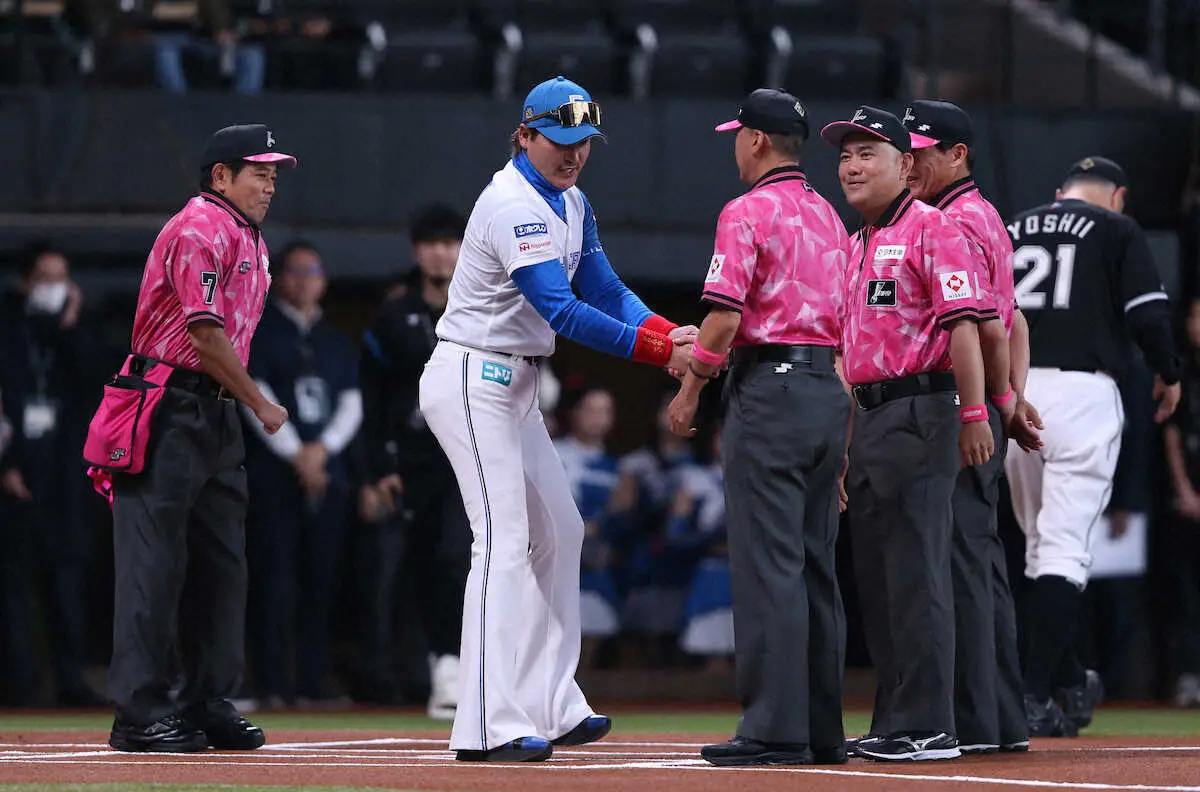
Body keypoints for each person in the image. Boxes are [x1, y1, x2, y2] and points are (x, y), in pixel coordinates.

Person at [417, 75, 695, 763]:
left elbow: (605, 289)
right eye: (559, 141)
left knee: (561, 532)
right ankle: (485, 722)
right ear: (525, 135)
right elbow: (561, 310)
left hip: (513, 383)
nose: (572, 155)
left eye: (584, 143)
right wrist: (663, 350)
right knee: (503, 541)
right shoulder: (512, 201)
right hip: (471, 373)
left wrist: (667, 332)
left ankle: (551, 699)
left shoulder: (572, 202)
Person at [665, 88, 853, 767]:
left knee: (768, 565)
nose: (735, 145)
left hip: (768, 392)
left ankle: (774, 729)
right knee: (813, 567)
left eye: (738, 135)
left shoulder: (747, 210)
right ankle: (822, 729)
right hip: (827, 393)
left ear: (756, 142)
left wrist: (690, 390)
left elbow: (721, 317)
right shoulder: (832, 217)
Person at [94, 123, 295, 752]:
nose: (269, 184)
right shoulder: (200, 227)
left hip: (211, 412)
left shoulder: (249, 238)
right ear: (220, 176)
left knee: (221, 568)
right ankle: (139, 712)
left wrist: (238, 404)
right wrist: (258, 401)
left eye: (272, 174)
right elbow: (205, 334)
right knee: (153, 567)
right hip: (167, 403)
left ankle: (204, 699)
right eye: (258, 172)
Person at [822, 105, 997, 762]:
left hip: (923, 408)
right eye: (844, 156)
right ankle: (897, 718)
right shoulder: (853, 242)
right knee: (879, 575)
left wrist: (975, 414)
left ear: (906, 164)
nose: (852, 166)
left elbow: (966, 327)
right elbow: (844, 354)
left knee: (918, 570)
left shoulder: (936, 228)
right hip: (870, 414)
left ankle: (930, 724)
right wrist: (842, 444)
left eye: (868, 153)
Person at [1004, 156, 1182, 736]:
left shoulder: (1014, 225)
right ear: (1118, 196)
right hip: (1083, 392)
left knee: (1037, 551)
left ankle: (1067, 681)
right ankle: (1033, 695)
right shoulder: (1117, 228)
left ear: (1060, 194)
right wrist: (1169, 371)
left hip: (1017, 391)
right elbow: (1150, 315)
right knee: (1061, 554)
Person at [901, 99, 1035, 755]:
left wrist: (985, 407)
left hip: (958, 408)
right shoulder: (982, 216)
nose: (911, 161)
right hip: (980, 404)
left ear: (958, 154)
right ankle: (999, 719)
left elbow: (986, 326)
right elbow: (1014, 322)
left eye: (922, 151)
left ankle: (976, 722)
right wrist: (1009, 398)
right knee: (978, 565)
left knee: (959, 568)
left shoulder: (955, 220)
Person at [356, 202, 472, 717]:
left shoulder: (482, 307)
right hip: (410, 460)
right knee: (410, 567)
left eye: (449, 243)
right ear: (416, 251)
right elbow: (372, 398)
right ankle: (415, 668)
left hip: (466, 454)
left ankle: (455, 663)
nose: (441, 253)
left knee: (456, 557)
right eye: (431, 244)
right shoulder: (394, 315)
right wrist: (378, 469)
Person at [240, 240, 361, 708]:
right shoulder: (262, 333)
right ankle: (270, 681)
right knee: (273, 577)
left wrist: (322, 451)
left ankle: (313, 680)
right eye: (295, 271)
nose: (305, 279)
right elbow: (255, 393)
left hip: (326, 473)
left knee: (321, 578)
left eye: (313, 270)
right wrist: (296, 454)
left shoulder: (334, 339)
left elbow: (352, 401)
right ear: (278, 278)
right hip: (276, 473)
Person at [0, 246, 101, 707]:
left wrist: (71, 326)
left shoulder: (75, 337)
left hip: (65, 480)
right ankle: (19, 685)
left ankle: (72, 682)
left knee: (68, 587)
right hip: (16, 474)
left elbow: (95, 388)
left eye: (62, 277)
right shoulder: (8, 333)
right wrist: (6, 466)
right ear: (25, 284)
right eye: (45, 277)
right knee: (16, 588)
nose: (54, 286)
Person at [1163, 298, 1200, 708]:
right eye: (1195, 318)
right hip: (1187, 500)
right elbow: (1171, 432)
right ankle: (1188, 676)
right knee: (1187, 595)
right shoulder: (1180, 372)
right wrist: (1185, 490)